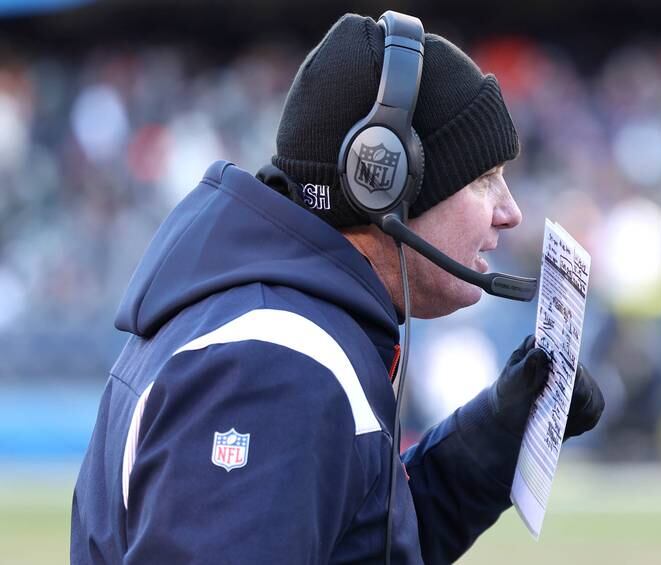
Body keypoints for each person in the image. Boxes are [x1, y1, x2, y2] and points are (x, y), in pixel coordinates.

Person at [71, 12, 604, 565]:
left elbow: (355, 540)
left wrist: (490, 440)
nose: (510, 212)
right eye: (483, 179)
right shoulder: (270, 366)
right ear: (383, 181)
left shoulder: (281, 331)